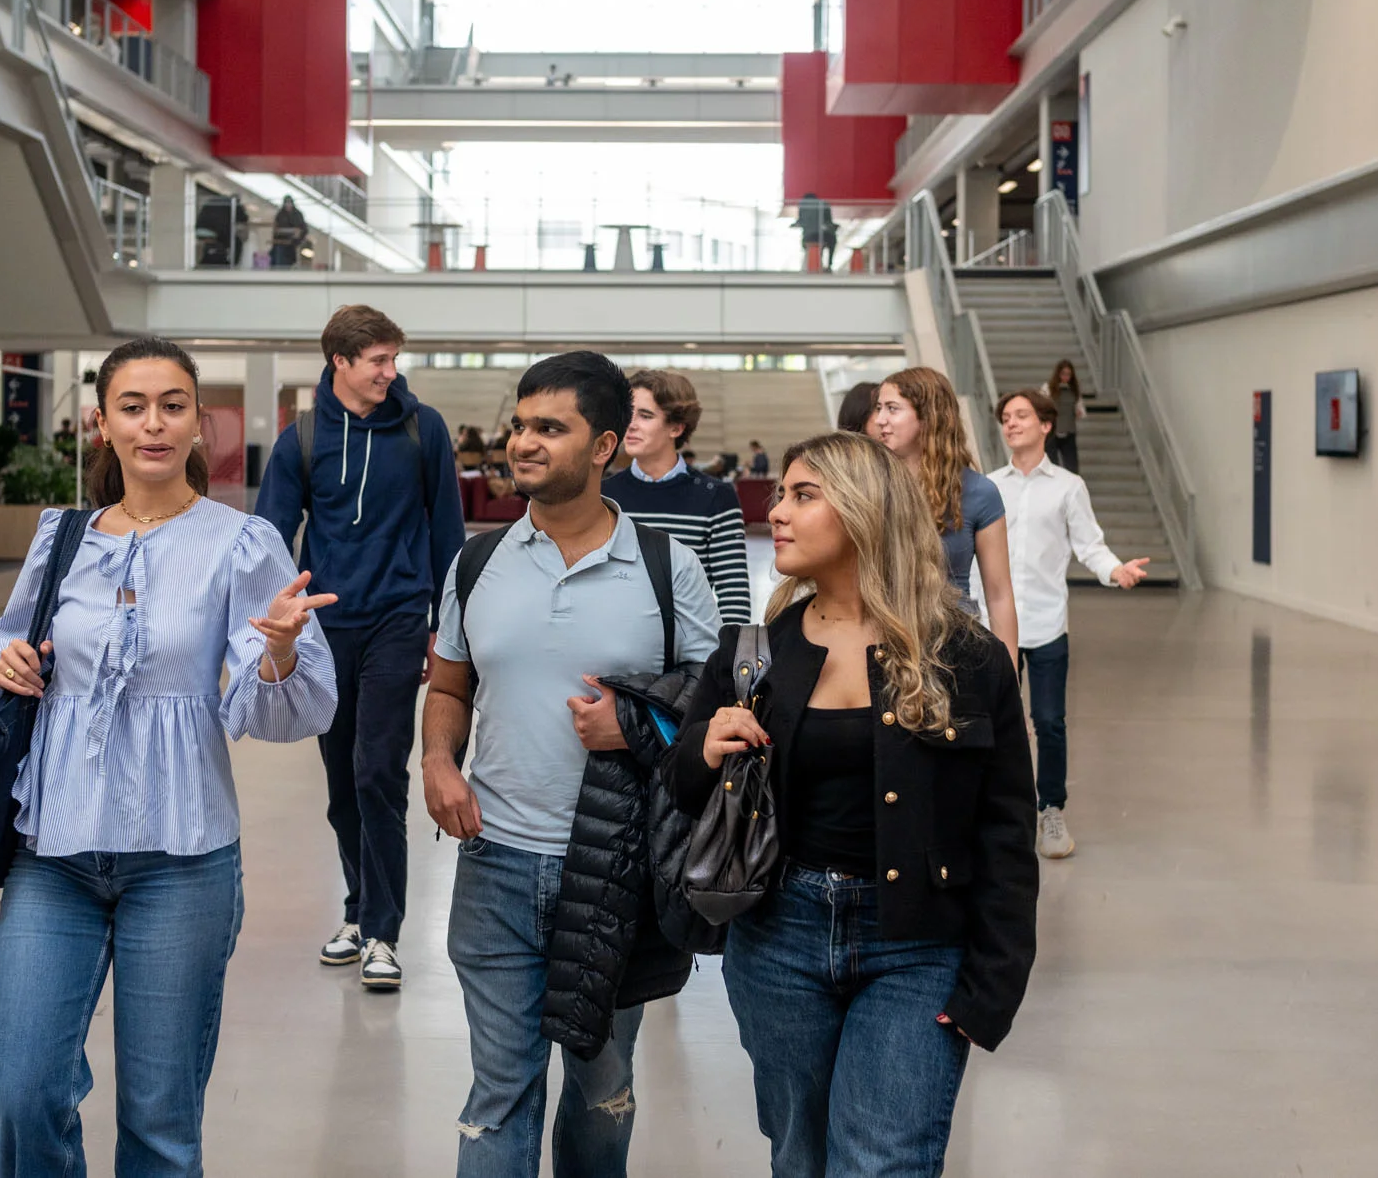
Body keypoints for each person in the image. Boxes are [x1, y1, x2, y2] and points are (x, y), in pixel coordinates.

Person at [0, 336, 339, 1176]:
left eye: (172, 405)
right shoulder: (62, 536)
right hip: (52, 848)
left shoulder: (242, 544)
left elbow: (290, 706)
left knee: (160, 1123)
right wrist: (4, 657)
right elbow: (0, 634)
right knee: (21, 1087)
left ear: (198, 423)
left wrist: (278, 647)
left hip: (182, 857)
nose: (153, 424)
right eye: (133, 407)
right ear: (102, 423)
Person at [669, 431, 1038, 1177]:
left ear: (866, 512)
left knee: (879, 1162)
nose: (777, 510)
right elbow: (682, 786)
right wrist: (705, 746)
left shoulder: (965, 657)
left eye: (804, 495)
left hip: (919, 946)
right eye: (781, 494)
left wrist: (991, 988)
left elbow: (1006, 830)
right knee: (800, 1157)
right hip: (779, 938)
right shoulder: (756, 651)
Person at [422, 352, 721, 1178]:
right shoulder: (477, 562)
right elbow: (449, 680)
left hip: (617, 867)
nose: (523, 441)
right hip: (496, 863)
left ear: (605, 447)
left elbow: (717, 704)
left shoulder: (667, 567)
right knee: (500, 1091)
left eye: (549, 428)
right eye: (521, 424)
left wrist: (632, 724)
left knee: (600, 1088)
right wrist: (438, 759)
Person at [254, 304, 466, 990]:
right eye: (377, 359)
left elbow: (447, 529)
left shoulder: (421, 428)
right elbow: (267, 539)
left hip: (399, 619)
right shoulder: (304, 438)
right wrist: (273, 617)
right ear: (340, 362)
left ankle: (383, 930)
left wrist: (447, 624)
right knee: (344, 781)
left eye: (393, 358)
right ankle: (357, 907)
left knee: (379, 770)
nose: (390, 371)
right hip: (323, 629)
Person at [990, 390, 1148, 861]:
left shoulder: (1067, 486)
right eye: (1004, 418)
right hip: (996, 627)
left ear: (1045, 425)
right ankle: (997, 813)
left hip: (1045, 624)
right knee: (996, 723)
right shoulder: (988, 486)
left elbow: (1089, 545)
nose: (1011, 424)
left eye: (1021, 416)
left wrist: (1114, 569)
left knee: (1050, 723)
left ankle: (1051, 810)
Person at [870, 367, 1020, 659]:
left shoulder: (979, 492)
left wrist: (1009, 674)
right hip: (880, 644)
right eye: (879, 408)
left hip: (952, 649)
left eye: (892, 409)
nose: (880, 420)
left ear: (928, 417)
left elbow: (1000, 595)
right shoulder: (868, 486)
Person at [604, 369, 752, 626]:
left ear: (676, 427)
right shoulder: (604, 495)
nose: (631, 424)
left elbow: (733, 595)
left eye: (645, 415)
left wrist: (725, 660)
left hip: (690, 653)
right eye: (629, 412)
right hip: (615, 652)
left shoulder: (716, 496)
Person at [1044, 359, 1085, 473]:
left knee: (1071, 465)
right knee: (1052, 465)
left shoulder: (1074, 390)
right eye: (1063, 374)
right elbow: (1041, 407)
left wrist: (1078, 412)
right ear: (1058, 374)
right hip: (1052, 431)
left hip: (1068, 431)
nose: (1065, 377)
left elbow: (1080, 408)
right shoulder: (1048, 388)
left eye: (1068, 375)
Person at [794, 192, 838, 269]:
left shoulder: (803, 205)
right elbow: (828, 221)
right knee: (831, 240)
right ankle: (828, 265)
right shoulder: (823, 204)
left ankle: (817, 265)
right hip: (826, 236)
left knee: (813, 243)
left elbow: (801, 220)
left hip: (810, 236)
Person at [272, 196, 308, 269]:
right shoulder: (280, 214)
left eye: (289, 203)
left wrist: (297, 235)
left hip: (294, 242)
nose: (288, 205)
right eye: (286, 203)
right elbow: (277, 229)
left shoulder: (297, 214)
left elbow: (303, 228)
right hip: (282, 242)